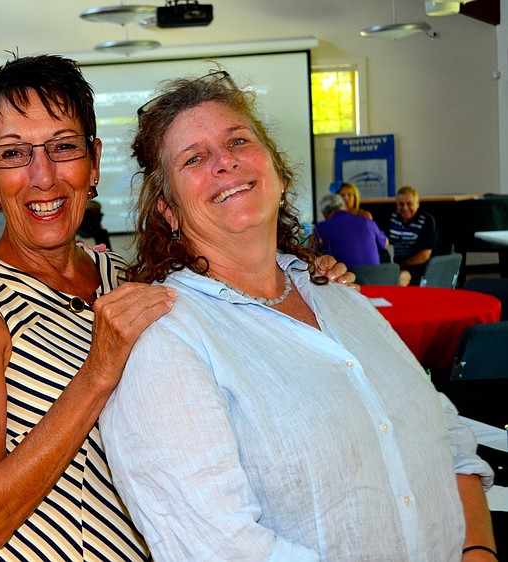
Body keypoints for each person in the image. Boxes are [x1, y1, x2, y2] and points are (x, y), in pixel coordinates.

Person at [0, 55, 354, 562]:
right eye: (15, 154)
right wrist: (97, 372)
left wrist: (301, 276)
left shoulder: (128, 277)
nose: (43, 177)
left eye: (63, 147)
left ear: (94, 161)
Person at [99, 71, 496, 562]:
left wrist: (478, 548)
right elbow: (220, 548)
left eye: (238, 140)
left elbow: (445, 432)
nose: (225, 162)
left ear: (279, 174)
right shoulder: (167, 337)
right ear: (169, 211)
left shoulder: (340, 296)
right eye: (194, 158)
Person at [313, 193, 387, 267]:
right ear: (344, 207)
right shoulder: (367, 222)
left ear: (324, 213)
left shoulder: (320, 227)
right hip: (374, 276)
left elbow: (313, 253)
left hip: (341, 276)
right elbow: (385, 243)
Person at [388, 185, 438, 286]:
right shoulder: (391, 218)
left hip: (417, 266)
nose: (405, 208)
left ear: (417, 204)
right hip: (393, 264)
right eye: (401, 204)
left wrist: (401, 266)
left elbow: (424, 255)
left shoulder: (427, 220)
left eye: (409, 204)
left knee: (401, 277)